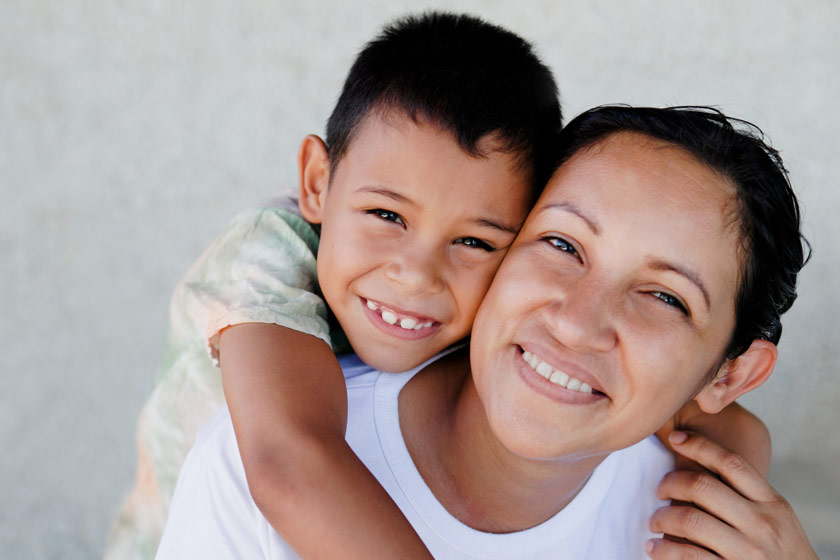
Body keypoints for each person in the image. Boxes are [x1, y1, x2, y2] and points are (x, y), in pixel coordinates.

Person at [107, 12, 770, 558]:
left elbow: (725, 424)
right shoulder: (264, 264)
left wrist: (723, 480)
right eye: (565, 246)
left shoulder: (672, 490)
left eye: (477, 241)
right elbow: (286, 463)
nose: (416, 273)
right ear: (316, 184)